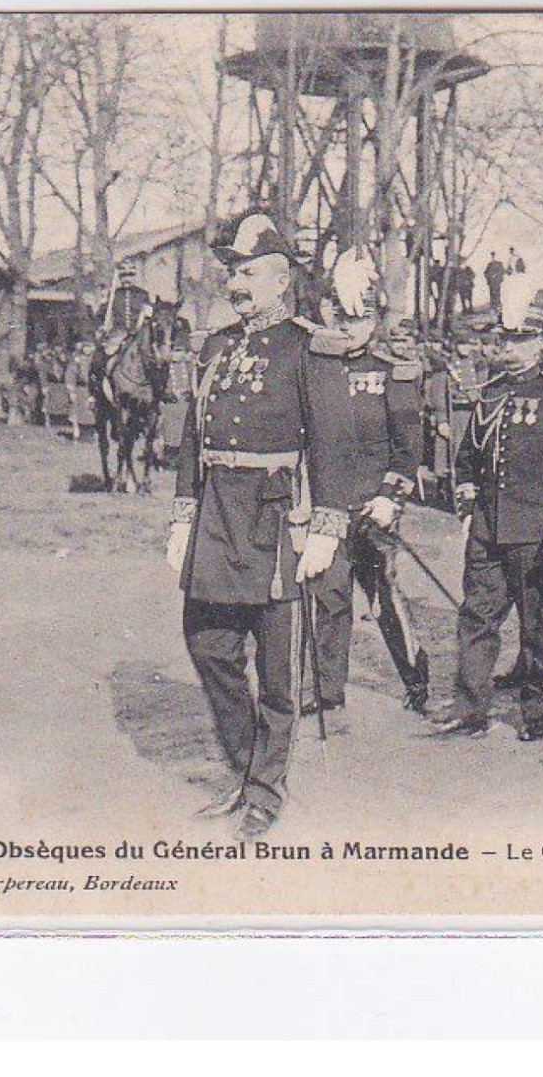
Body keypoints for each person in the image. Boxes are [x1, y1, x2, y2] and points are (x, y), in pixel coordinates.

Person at [167, 211, 310, 840]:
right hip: (218, 514)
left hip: (274, 517)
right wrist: (182, 513)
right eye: (232, 273)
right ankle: (246, 762)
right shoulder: (217, 345)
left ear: (280, 280)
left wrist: (328, 525)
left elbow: (332, 444)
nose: (236, 284)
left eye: (247, 273)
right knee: (207, 644)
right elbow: (191, 439)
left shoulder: (308, 347)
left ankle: (265, 787)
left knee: (277, 670)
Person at [433, 289, 543, 741]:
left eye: (520, 341)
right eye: (505, 341)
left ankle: (538, 713)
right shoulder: (490, 394)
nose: (510, 350)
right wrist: (469, 511)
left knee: (537, 626)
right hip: (489, 528)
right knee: (476, 619)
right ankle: (470, 707)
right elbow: (468, 457)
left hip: (536, 530)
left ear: (539, 343)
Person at [298, 250, 432, 716]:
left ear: (374, 320)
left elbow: (408, 447)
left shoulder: (391, 372)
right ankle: (327, 689)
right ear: (329, 315)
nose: (353, 328)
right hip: (329, 510)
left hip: (374, 507)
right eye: (345, 317)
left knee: (385, 600)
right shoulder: (316, 373)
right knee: (329, 597)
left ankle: (417, 679)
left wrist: (390, 498)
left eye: (363, 319)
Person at [484, 252, 507, 319]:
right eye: (492, 256)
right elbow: (486, 273)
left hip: (497, 281)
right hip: (491, 282)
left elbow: (502, 271)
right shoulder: (489, 264)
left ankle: (498, 306)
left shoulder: (499, 264)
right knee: (492, 294)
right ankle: (493, 306)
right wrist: (488, 278)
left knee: (497, 293)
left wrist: (497, 277)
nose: (493, 257)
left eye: (494, 256)